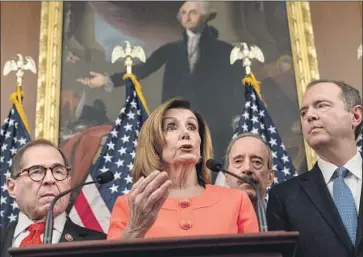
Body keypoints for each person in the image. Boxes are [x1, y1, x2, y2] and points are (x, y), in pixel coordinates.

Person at [77, 1, 245, 162]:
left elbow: (235, 86)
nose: (187, 17)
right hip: (176, 121)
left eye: (193, 12)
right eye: (184, 13)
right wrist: (108, 80)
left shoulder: (224, 51)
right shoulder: (171, 49)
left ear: (206, 16)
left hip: (212, 124)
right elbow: (144, 68)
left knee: (211, 169)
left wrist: (237, 115)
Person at [107, 98, 259, 239]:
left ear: (201, 143)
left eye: (192, 127)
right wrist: (135, 228)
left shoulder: (236, 201)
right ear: (154, 145)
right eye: (171, 127)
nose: (185, 133)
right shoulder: (131, 205)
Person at [266, 79, 363, 257]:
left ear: (355, 116)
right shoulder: (284, 198)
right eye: (303, 113)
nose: (309, 116)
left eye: (321, 105)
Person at [1, 139, 106, 256]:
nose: (50, 179)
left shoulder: (99, 246)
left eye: (58, 171)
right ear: (12, 187)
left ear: (68, 182)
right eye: (36, 171)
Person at [223, 133, 275, 208]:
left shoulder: (282, 219)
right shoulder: (212, 218)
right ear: (226, 176)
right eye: (238, 161)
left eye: (257, 162)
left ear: (270, 177)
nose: (247, 168)